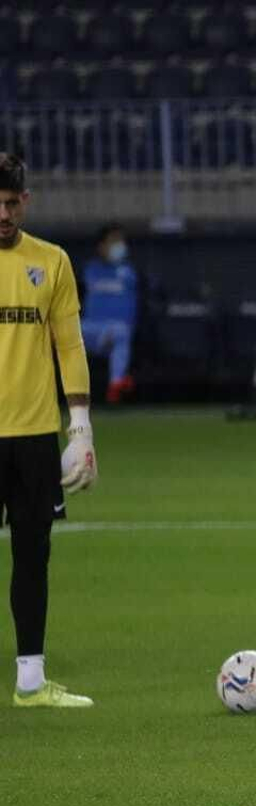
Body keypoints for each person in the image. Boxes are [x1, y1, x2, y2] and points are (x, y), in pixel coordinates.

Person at [0, 152, 97, 708]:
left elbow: (69, 347)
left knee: (33, 556)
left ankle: (31, 682)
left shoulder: (52, 262)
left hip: (35, 435)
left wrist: (80, 429)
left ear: (26, 201)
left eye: (12, 204)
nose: (5, 214)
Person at [79, 223, 138, 404]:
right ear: (101, 246)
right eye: (113, 242)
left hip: (114, 332)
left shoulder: (128, 273)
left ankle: (116, 385)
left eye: (120, 242)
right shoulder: (90, 270)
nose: (118, 246)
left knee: (121, 332)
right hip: (88, 330)